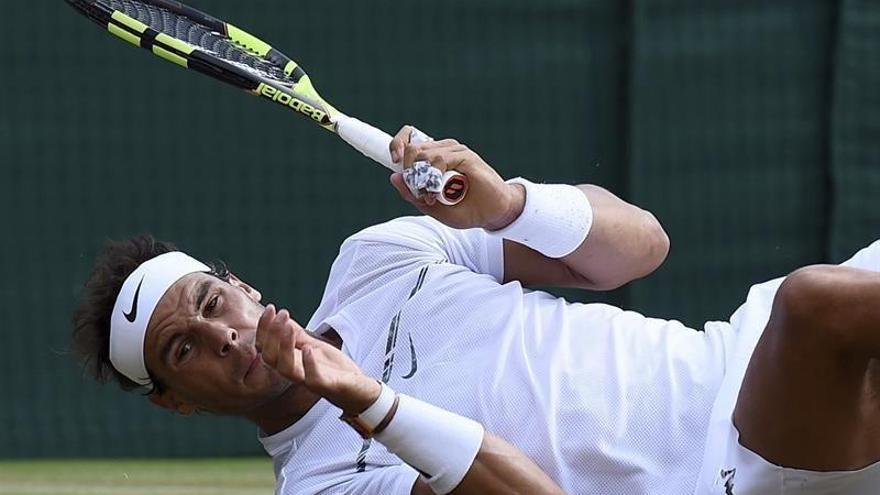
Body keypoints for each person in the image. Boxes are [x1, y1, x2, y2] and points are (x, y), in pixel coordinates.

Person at [73, 126, 880, 495]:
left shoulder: (378, 258)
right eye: (184, 349)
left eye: (215, 303)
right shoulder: (323, 486)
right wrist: (367, 401)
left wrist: (508, 205)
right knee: (818, 306)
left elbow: (643, 248)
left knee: (814, 302)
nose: (222, 335)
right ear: (176, 402)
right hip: (732, 467)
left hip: (737, 353)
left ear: (243, 285)